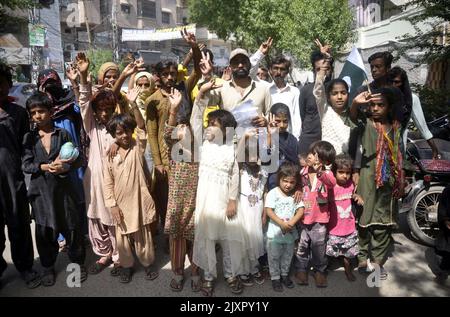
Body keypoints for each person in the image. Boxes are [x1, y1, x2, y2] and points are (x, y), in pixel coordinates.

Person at [22, 92, 86, 286]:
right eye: (33, 113)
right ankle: (48, 267)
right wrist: (46, 167)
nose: (38, 116)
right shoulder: (29, 138)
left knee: (72, 228)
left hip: (64, 192)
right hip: (41, 194)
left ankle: (76, 265)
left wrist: (66, 166)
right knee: (44, 231)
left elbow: (78, 159)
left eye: (41, 111)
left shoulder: (63, 134)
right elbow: (26, 165)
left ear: (50, 112)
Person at [145, 28, 202, 239]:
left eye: (172, 74)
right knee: (166, 197)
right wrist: (158, 162)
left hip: (187, 151)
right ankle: (168, 237)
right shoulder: (153, 100)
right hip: (165, 154)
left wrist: (194, 46)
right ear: (159, 76)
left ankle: (187, 236)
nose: (169, 77)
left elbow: (197, 69)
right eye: (165, 74)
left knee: (187, 198)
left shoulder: (184, 88)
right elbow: (151, 133)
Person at [103, 87, 158, 283]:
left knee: (143, 238)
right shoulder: (110, 154)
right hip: (121, 204)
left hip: (138, 201)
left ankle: (147, 264)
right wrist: (112, 205)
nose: (124, 136)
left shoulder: (137, 147)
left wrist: (134, 104)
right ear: (113, 135)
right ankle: (126, 266)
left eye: (127, 131)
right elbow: (107, 182)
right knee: (123, 240)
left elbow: (142, 128)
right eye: (119, 133)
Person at [350, 87, 405, 280]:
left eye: (380, 105)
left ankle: (378, 259)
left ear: (389, 106)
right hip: (367, 177)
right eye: (372, 105)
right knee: (364, 218)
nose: (375, 108)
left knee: (383, 221)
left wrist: (402, 178)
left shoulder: (395, 127)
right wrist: (356, 103)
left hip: (389, 181)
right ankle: (362, 257)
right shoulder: (366, 124)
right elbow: (352, 117)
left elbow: (399, 156)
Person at [192, 110, 246, 296]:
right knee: (207, 238)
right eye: (209, 123)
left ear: (225, 129)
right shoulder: (203, 145)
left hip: (224, 200)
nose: (209, 127)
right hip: (206, 199)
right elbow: (195, 120)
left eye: (214, 124)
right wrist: (200, 97)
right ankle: (208, 276)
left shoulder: (231, 149)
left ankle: (231, 275)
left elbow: (234, 176)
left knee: (228, 239)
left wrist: (232, 200)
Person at [77, 52, 120, 275]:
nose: (104, 113)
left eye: (109, 109)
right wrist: (84, 77)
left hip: (113, 182)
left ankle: (118, 256)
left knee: (114, 218)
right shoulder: (91, 127)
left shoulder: (119, 129)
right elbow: (84, 103)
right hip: (94, 180)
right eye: (100, 109)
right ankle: (104, 253)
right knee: (95, 216)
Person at [0, 62, 40, 289]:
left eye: (2, 83)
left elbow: (27, 146)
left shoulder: (17, 113)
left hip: (13, 180)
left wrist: (31, 168)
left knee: (19, 225)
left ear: (8, 85)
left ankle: (26, 267)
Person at [163, 88, 201, 292]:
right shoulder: (174, 149)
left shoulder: (199, 151)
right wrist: (173, 109)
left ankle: (195, 272)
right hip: (177, 203)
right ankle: (178, 272)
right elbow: (167, 132)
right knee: (176, 240)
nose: (184, 131)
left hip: (196, 203)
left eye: (188, 127)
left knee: (195, 239)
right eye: (181, 127)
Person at [295, 141, 336, 288]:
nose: (311, 156)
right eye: (311, 153)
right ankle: (301, 269)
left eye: (315, 155)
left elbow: (331, 183)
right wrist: (299, 189)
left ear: (325, 161)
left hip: (320, 218)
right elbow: (296, 185)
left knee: (319, 247)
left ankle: (320, 271)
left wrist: (320, 171)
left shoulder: (326, 174)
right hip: (304, 216)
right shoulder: (303, 172)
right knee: (302, 245)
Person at [265, 161, 305, 292]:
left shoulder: (295, 195)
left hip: (289, 234)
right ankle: (275, 278)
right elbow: (269, 210)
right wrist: (281, 223)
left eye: (292, 182)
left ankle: (284, 275)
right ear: (279, 179)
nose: (288, 185)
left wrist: (292, 222)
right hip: (274, 235)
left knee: (288, 257)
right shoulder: (273, 193)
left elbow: (301, 210)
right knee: (274, 257)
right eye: (285, 181)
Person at [387, 66, 440, 159]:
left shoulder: (411, 100)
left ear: (403, 83)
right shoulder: (382, 99)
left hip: (398, 150)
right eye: (391, 82)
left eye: (397, 82)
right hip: (378, 147)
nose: (393, 85)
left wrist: (434, 149)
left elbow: (422, 126)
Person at [326, 154, 363, 282]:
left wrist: (357, 197)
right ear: (334, 172)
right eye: (341, 172)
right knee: (331, 249)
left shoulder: (351, 185)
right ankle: (327, 265)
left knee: (348, 251)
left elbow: (354, 194)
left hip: (348, 227)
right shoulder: (330, 187)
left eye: (347, 172)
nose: (344, 175)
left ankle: (348, 269)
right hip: (333, 227)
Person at [313, 54, 357, 155]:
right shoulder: (325, 111)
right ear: (328, 97)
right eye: (335, 94)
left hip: (346, 164)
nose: (339, 97)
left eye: (343, 93)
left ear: (348, 95)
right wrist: (321, 73)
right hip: (327, 162)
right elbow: (318, 92)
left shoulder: (352, 114)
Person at [298, 48, 333, 155]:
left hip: (332, 140)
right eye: (318, 69)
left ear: (331, 69)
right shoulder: (306, 90)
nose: (322, 73)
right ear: (314, 71)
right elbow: (302, 115)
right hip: (309, 140)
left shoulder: (337, 89)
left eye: (326, 68)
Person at [266, 103, 300, 190]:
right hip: (272, 184)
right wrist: (270, 134)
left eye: (285, 121)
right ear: (270, 119)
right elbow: (265, 159)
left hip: (290, 185)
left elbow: (296, 165)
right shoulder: (265, 137)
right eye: (277, 121)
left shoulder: (292, 139)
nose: (282, 125)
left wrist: (298, 188)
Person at [268, 56, 302, 140]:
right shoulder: (265, 90)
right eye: (275, 68)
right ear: (270, 70)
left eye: (282, 69)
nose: (278, 72)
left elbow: (296, 116)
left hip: (288, 137)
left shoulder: (294, 91)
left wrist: (295, 138)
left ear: (287, 72)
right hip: (268, 136)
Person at [435, 184, 450, 283]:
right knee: (447, 252)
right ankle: (443, 271)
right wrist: (446, 220)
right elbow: (442, 209)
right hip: (448, 226)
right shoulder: (448, 191)